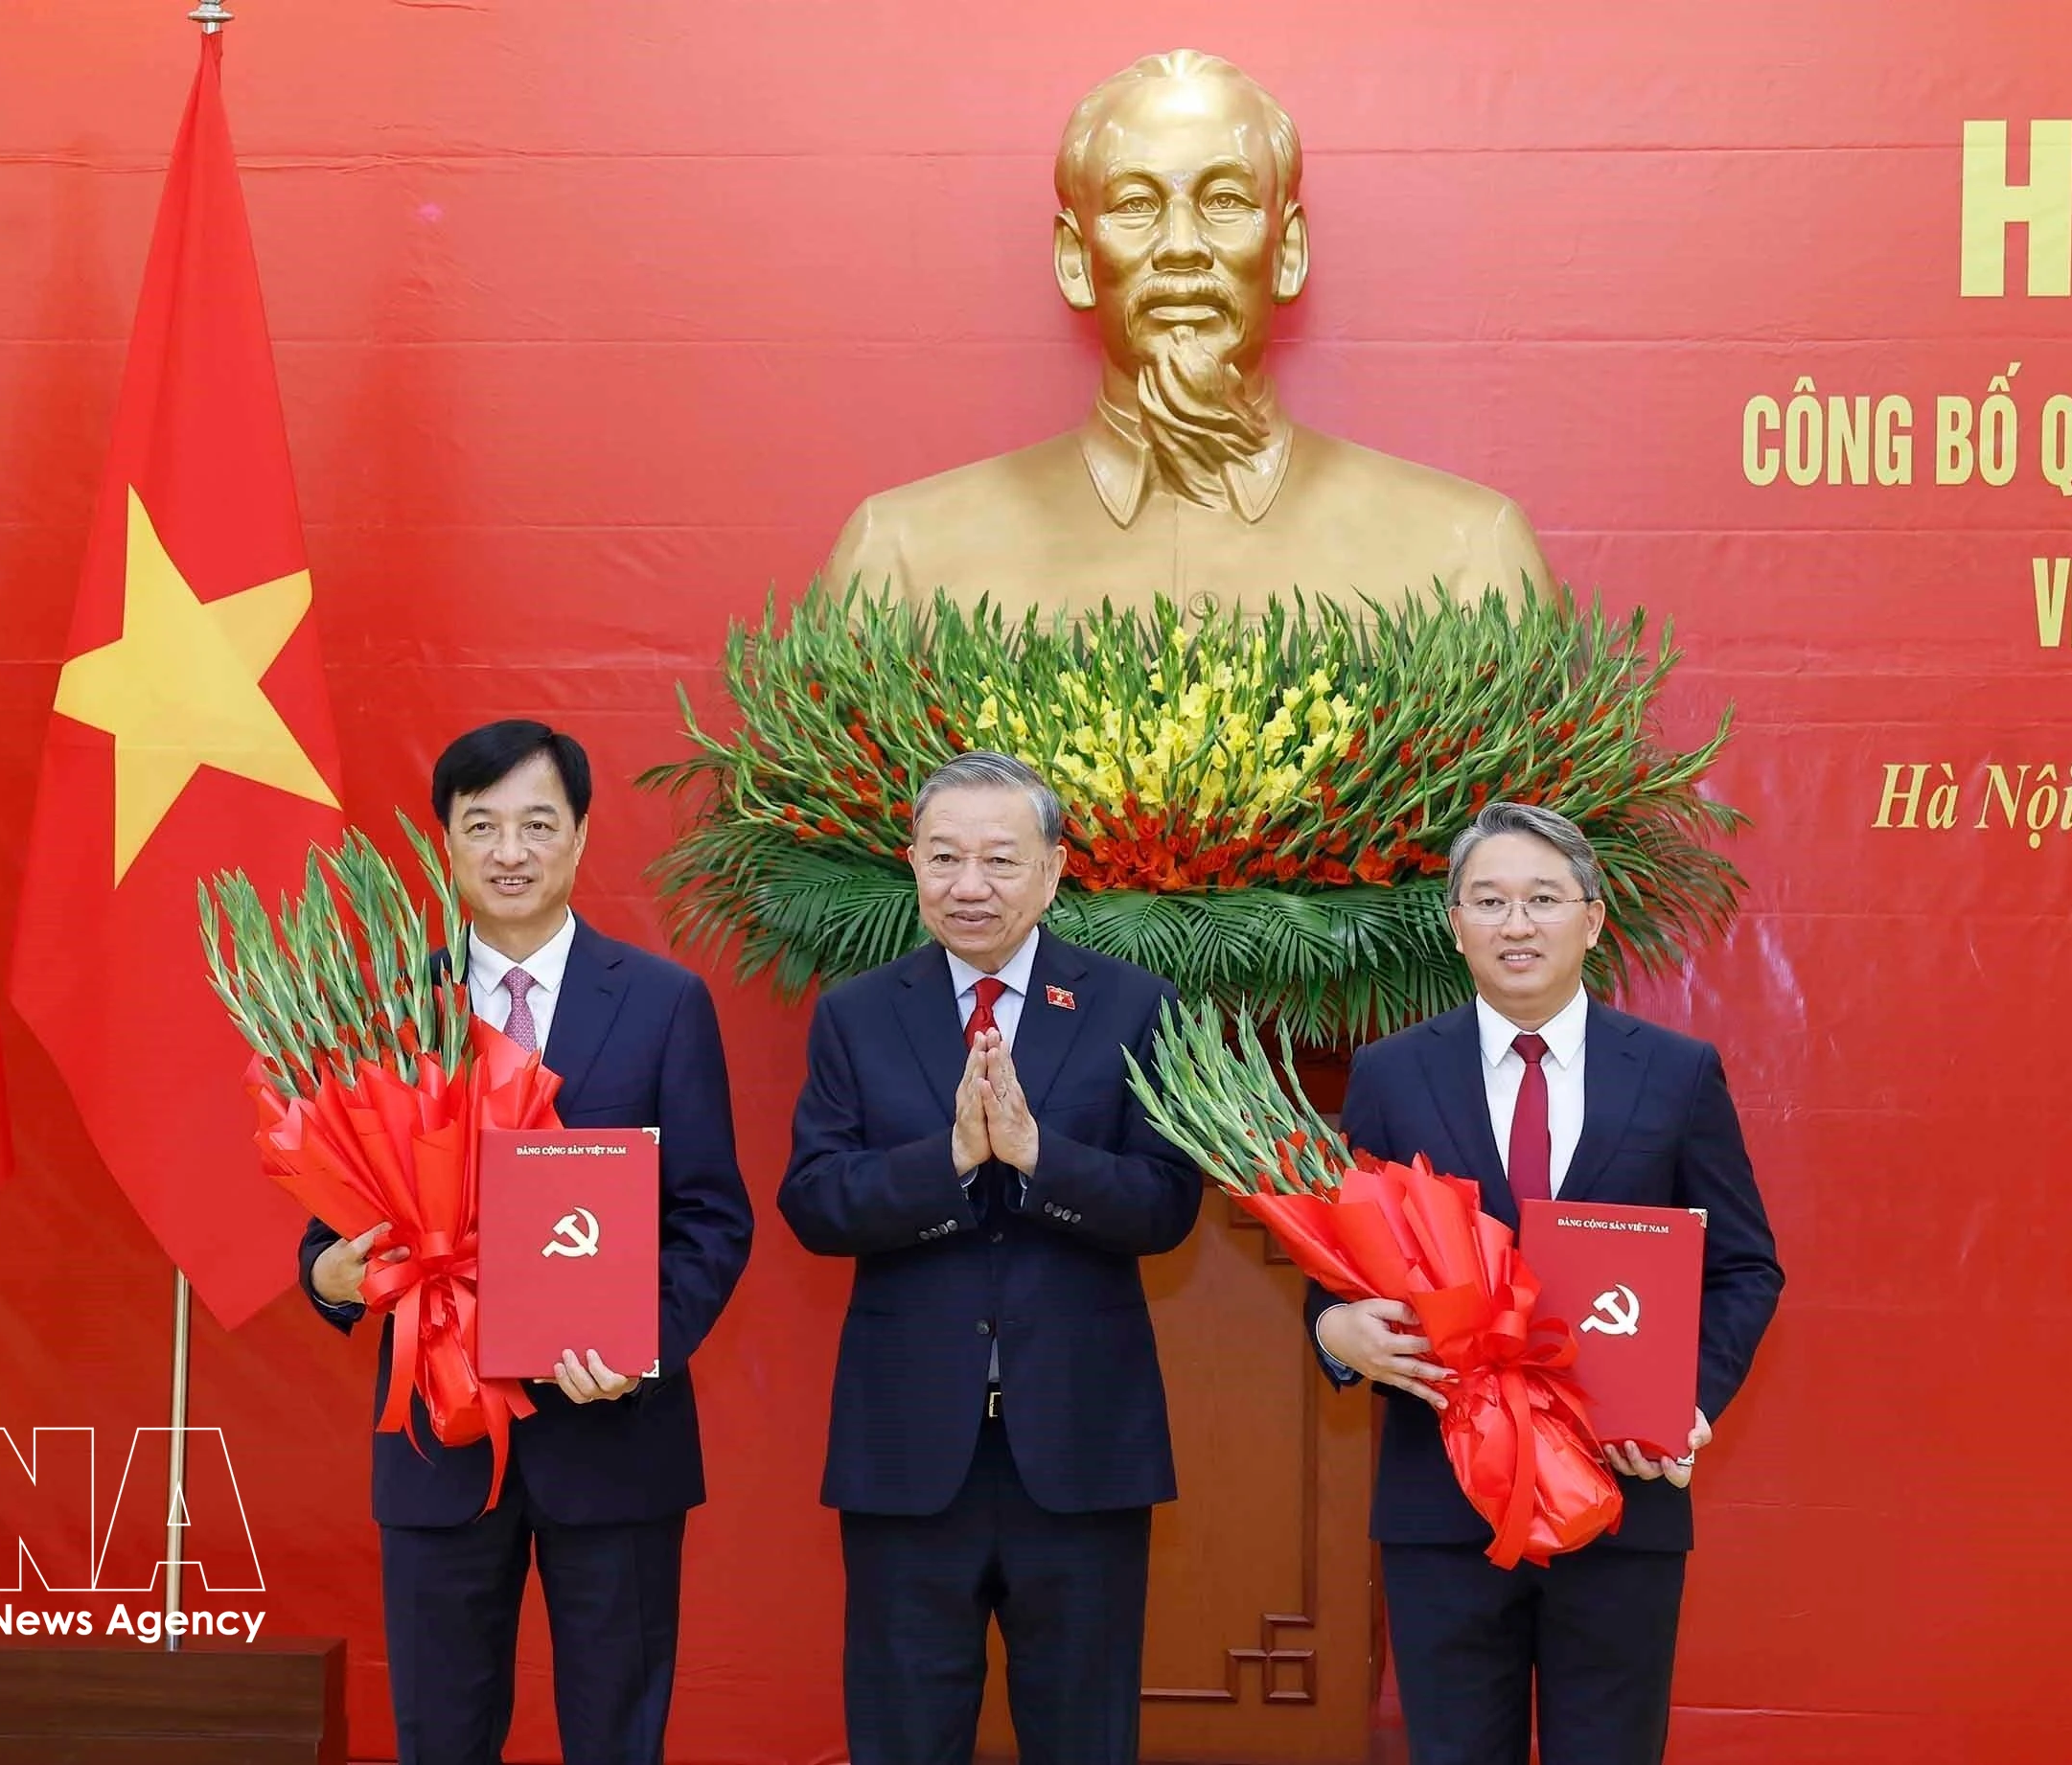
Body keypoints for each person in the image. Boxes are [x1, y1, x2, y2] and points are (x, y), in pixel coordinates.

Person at [299, 719, 755, 1765]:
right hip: (439, 1445)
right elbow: (333, 1218)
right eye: (482, 826)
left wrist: (639, 1346)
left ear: (581, 836)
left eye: (538, 824)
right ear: (446, 843)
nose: (510, 851)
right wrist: (331, 1275)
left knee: (616, 1737)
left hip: (614, 1440)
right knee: (442, 1735)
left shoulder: (663, 1004)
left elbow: (711, 1218)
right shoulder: (389, 1012)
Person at [1310, 802, 1783, 1765]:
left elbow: (1744, 1266)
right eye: (1488, 902)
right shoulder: (1392, 1074)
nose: (1515, 924)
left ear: (1592, 919)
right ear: (1455, 925)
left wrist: (1686, 1403)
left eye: (1542, 899)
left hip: (1621, 1492)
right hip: (1444, 1502)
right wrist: (1336, 1334)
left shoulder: (1675, 1075)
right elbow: (1340, 1265)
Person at [777, 751, 1202, 1765]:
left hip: (1082, 1445)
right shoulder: (856, 1014)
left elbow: (1166, 1204)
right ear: (913, 866)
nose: (970, 885)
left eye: (1000, 860)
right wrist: (955, 1159)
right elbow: (815, 1202)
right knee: (904, 1734)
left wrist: (1039, 1157)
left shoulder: (1132, 1005)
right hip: (908, 1448)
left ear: (1053, 871)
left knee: (1083, 1734)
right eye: (945, 858)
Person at [823, 48, 1556, 617]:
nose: (1181, 246)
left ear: (1287, 252)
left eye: (1225, 200)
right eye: (1136, 204)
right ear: (1076, 260)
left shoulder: (1466, 559)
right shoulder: (901, 561)